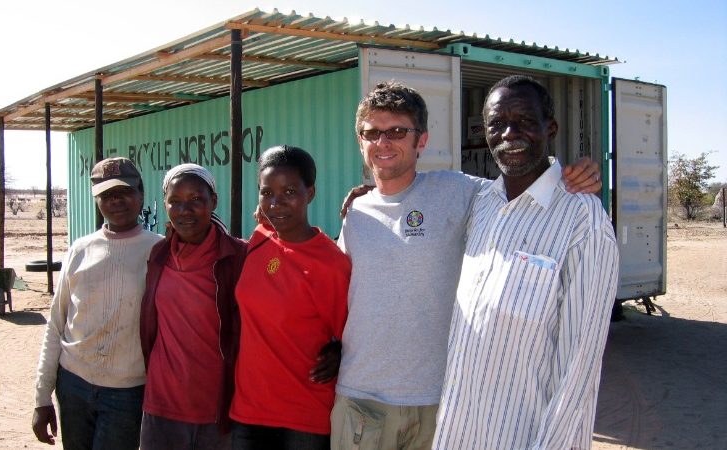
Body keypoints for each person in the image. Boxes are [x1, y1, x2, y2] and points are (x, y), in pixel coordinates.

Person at [332, 81, 602, 450]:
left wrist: (576, 173)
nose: (383, 142)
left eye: (396, 131)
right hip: (362, 400)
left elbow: (522, 181)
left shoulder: (463, 192)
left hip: (443, 403)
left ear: (421, 141)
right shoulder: (354, 214)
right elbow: (337, 294)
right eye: (372, 133)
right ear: (360, 141)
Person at [432, 75, 619, 450]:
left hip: (525, 438)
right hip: (457, 432)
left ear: (550, 127)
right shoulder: (482, 202)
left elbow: (579, 366)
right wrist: (374, 192)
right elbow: (418, 190)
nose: (509, 133)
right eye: (497, 124)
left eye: (524, 121)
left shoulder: (582, 219)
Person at [32, 157, 163, 449]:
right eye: (106, 194)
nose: (116, 200)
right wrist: (42, 398)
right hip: (73, 385)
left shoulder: (159, 251)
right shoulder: (80, 250)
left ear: (141, 193)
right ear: (96, 200)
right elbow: (56, 326)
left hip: (128, 392)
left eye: (125, 192)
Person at [230, 145, 351, 450]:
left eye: (289, 192)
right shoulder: (259, 240)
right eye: (266, 192)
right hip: (249, 411)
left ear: (310, 193)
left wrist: (338, 350)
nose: (276, 204)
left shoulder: (331, 264)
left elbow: (355, 334)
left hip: (304, 417)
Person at [139, 163, 246, 450]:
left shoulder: (238, 257)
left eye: (196, 200)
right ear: (165, 205)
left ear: (214, 201)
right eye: (175, 201)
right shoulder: (159, 255)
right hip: (162, 407)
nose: (185, 210)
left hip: (218, 408)